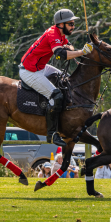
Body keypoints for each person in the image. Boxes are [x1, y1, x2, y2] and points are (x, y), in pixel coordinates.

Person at [19, 9, 94, 147]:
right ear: (61, 24)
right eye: (70, 24)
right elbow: (59, 55)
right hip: (30, 71)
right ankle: (52, 133)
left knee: (65, 79)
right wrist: (81, 52)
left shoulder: (59, 33)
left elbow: (67, 45)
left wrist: (73, 49)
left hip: (40, 67)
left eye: (73, 23)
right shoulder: (53, 34)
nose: (73, 26)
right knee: (56, 95)